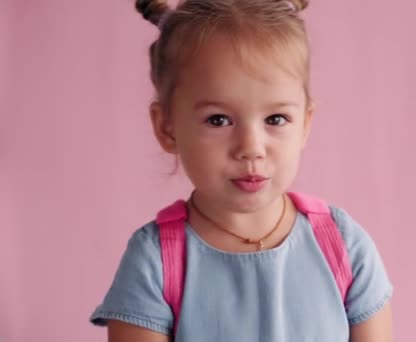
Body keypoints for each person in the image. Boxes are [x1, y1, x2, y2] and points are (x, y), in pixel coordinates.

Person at [90, 0, 393, 340]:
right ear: (168, 127)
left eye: (276, 119)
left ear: (305, 125)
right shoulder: (156, 261)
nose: (251, 147)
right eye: (218, 120)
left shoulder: (343, 245)